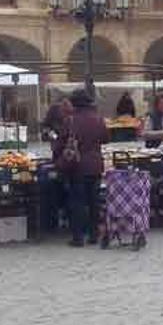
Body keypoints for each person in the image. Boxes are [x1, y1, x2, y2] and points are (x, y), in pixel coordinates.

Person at [55, 89, 109, 247]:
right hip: (96, 165)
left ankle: (78, 237)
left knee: (77, 201)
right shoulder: (98, 119)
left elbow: (60, 143)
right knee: (94, 201)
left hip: (77, 166)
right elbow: (106, 139)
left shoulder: (70, 120)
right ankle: (94, 235)